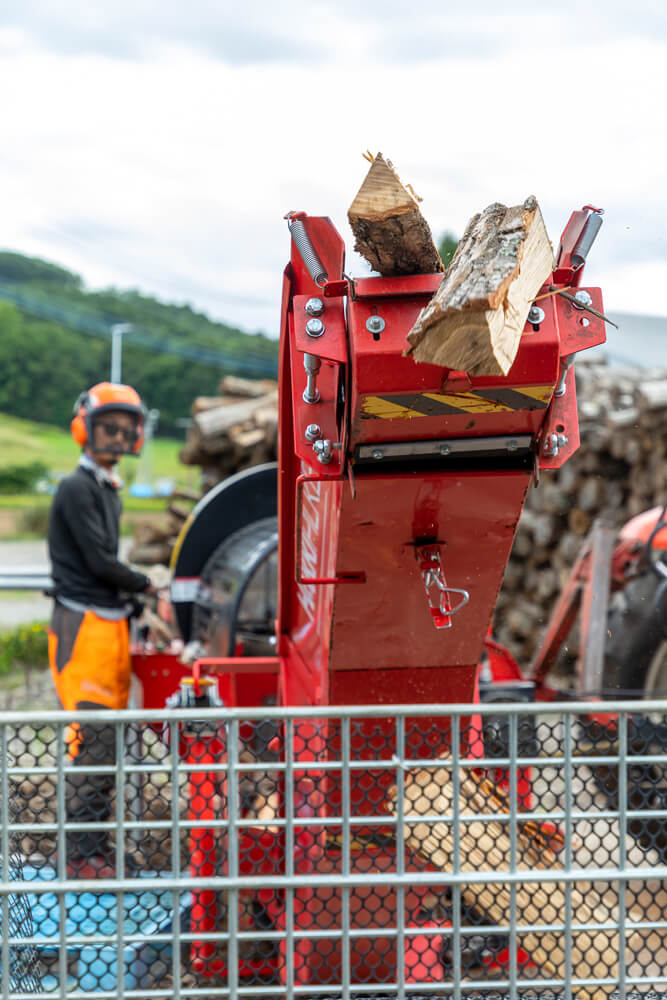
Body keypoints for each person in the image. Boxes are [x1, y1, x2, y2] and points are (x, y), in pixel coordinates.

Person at [47, 382, 155, 877]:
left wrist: (133, 594)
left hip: (105, 626)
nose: (115, 436)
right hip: (82, 627)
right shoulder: (77, 488)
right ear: (83, 430)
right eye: (106, 427)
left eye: (124, 429)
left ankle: (92, 846)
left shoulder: (106, 488)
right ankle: (81, 856)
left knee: (106, 744)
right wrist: (148, 584)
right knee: (90, 743)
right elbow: (97, 562)